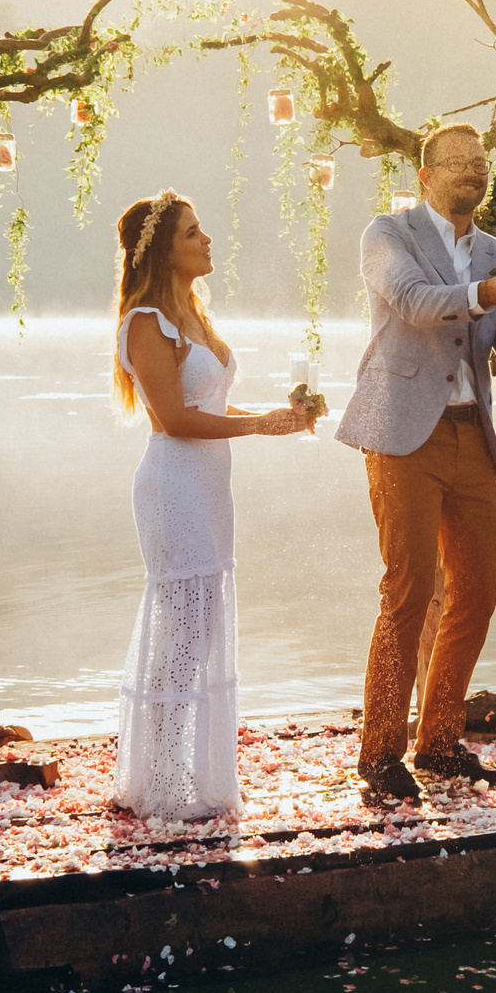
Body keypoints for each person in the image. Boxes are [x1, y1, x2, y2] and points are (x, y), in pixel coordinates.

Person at [336, 123, 496, 806]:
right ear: (425, 174)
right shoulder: (387, 236)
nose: (472, 172)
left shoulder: (494, 250)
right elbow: (418, 304)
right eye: (456, 163)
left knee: (476, 594)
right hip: (401, 436)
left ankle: (438, 741)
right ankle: (380, 753)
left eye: (480, 162)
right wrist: (488, 293)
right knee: (407, 591)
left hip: (470, 438)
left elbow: (486, 344)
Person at [110, 190, 315, 820]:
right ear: (164, 250)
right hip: (172, 486)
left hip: (210, 489)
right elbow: (173, 419)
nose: (207, 240)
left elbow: (214, 410)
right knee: (181, 635)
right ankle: (162, 782)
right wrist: (257, 428)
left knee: (199, 633)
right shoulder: (148, 321)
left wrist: (277, 420)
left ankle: (185, 772)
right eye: (194, 233)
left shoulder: (194, 312)